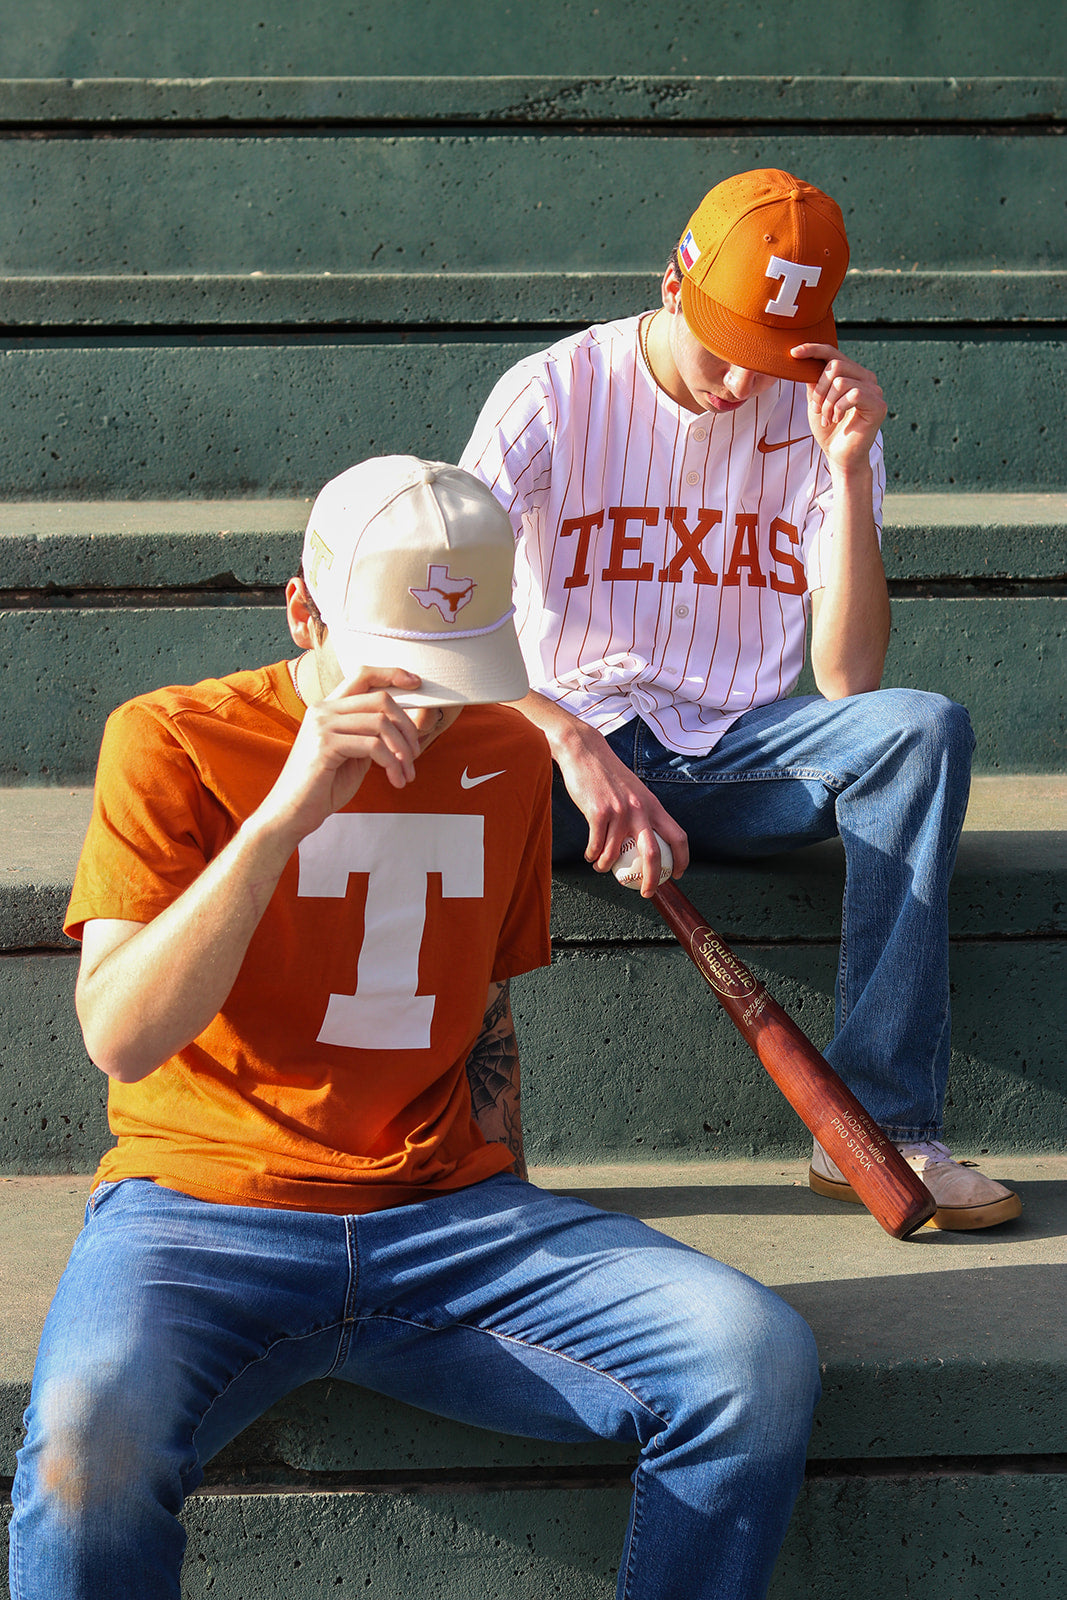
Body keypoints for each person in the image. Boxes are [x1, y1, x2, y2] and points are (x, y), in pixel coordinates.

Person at [9, 456, 820, 1600]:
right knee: (87, 1447)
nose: (431, 706)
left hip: (451, 1215)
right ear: (304, 609)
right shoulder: (170, 738)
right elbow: (121, 1036)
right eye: (403, 666)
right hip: (200, 1215)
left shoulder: (498, 751)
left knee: (754, 1359)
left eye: (463, 666)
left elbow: (484, 1007)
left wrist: (511, 1191)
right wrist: (288, 809)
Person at [460, 168, 1021, 1232]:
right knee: (420, 735)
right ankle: (448, 1146)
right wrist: (566, 737)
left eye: (767, 354)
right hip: (561, 759)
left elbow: (850, 680)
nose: (734, 380)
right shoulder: (552, 390)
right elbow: (437, 614)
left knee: (921, 727)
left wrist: (848, 473)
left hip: (733, 758)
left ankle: (882, 1124)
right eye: (721, 343)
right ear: (674, 281)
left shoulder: (818, 419)